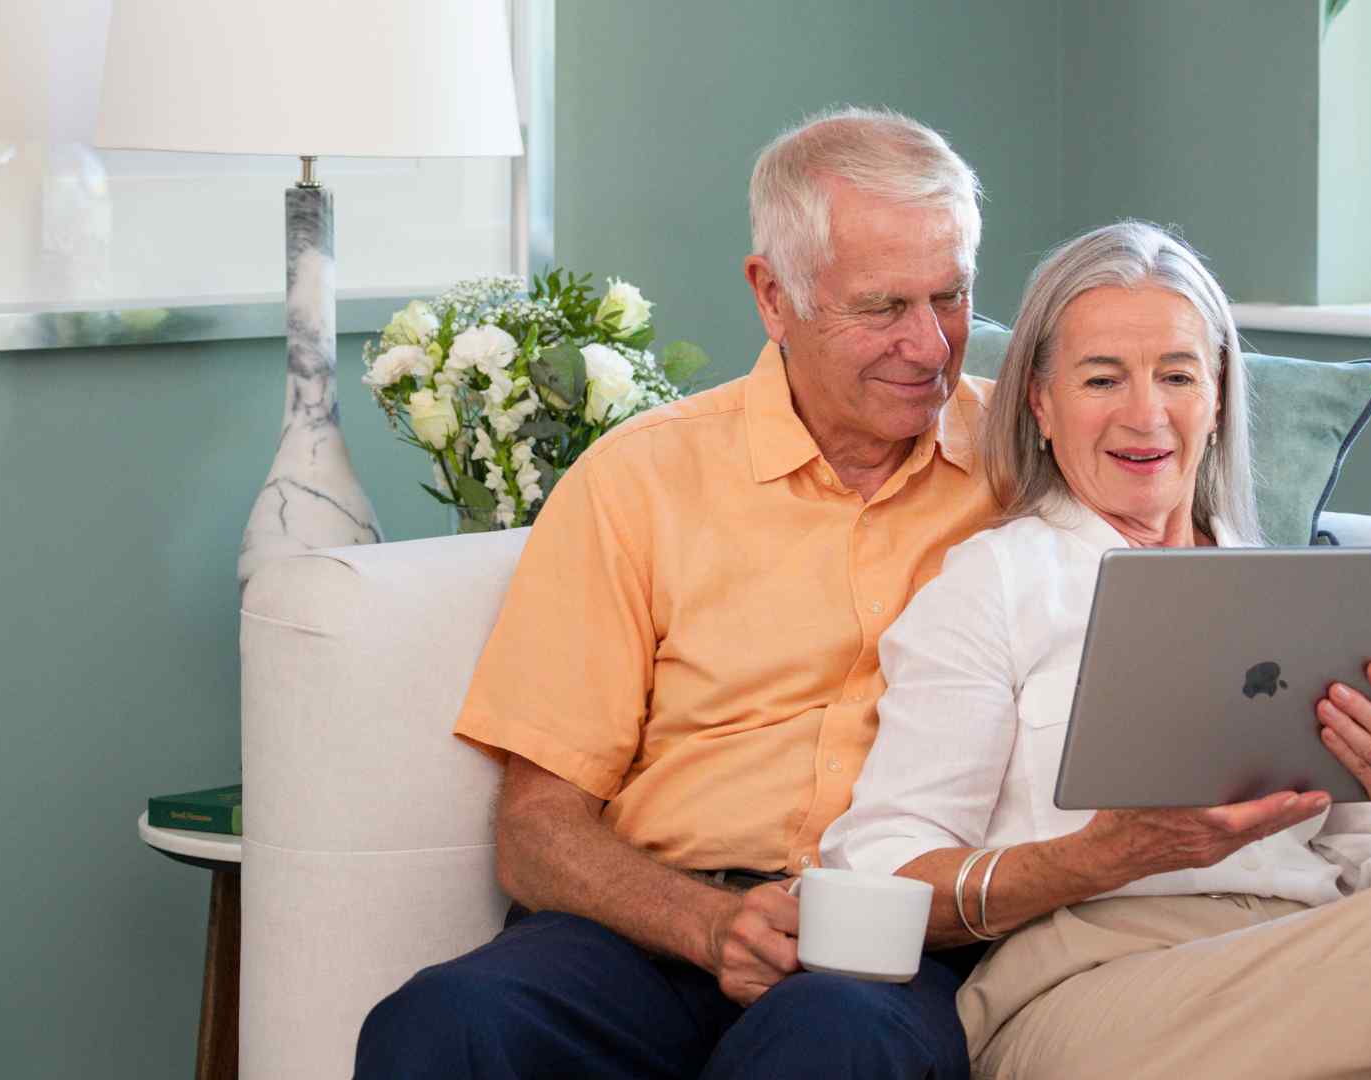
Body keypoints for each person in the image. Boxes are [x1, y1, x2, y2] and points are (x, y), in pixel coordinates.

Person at [822, 220, 1371, 1080]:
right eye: (1102, 378)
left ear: (1219, 397)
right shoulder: (993, 583)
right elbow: (883, 872)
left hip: (1323, 968)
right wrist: (1096, 859)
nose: (1144, 414)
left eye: (1178, 375)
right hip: (1089, 993)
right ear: (1041, 403)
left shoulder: (1309, 599)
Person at [354, 107, 999, 1077]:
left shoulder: (1027, 466)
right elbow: (536, 832)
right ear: (773, 296)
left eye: (950, 297)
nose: (931, 346)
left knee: (836, 1042)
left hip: (894, 950)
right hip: (653, 928)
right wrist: (707, 925)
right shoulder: (639, 480)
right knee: (443, 1024)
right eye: (881, 308)